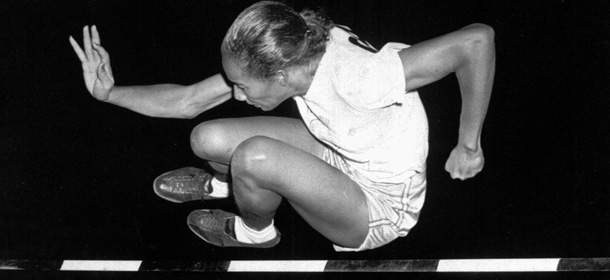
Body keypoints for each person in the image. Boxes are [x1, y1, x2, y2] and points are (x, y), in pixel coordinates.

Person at [69, 1, 494, 252]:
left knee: (254, 154)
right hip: (338, 150)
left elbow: (476, 41)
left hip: (377, 206)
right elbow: (188, 102)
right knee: (206, 137)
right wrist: (110, 94)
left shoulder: (359, 79)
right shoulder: (294, 49)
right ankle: (229, 183)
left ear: (281, 77)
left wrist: (469, 145)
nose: (236, 95)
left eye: (242, 86)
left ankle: (255, 231)